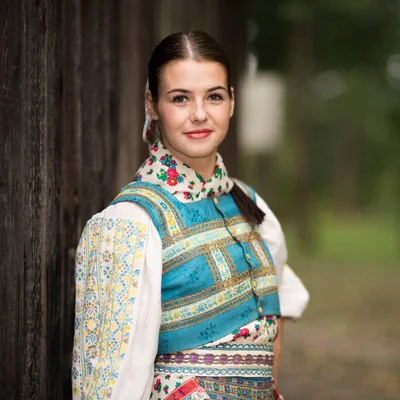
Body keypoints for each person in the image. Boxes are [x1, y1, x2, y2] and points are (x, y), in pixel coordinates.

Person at [72, 31, 309, 400]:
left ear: (231, 102)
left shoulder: (249, 203)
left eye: (214, 96)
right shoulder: (130, 223)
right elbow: (109, 386)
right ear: (152, 104)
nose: (200, 114)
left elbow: (274, 322)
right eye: (180, 98)